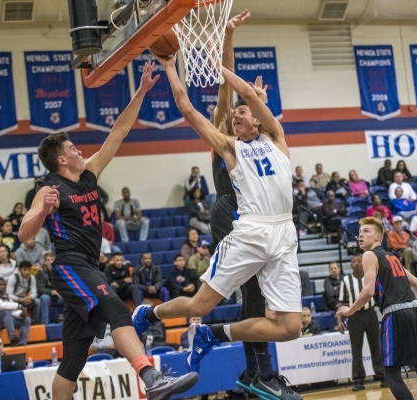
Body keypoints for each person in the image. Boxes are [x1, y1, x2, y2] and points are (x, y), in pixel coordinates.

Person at [17, 61, 197, 400]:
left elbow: (119, 132)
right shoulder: (48, 187)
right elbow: (25, 235)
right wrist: (42, 209)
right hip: (70, 265)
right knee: (116, 310)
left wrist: (141, 91)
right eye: (72, 149)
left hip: (89, 265)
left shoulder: (88, 173)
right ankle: (151, 377)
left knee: (72, 360)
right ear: (61, 160)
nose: (79, 150)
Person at [134, 51, 303, 391]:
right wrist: (170, 68)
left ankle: (213, 333)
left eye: (243, 111)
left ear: (258, 118)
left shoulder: (277, 138)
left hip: (285, 232)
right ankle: (146, 315)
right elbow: (188, 111)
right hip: (251, 231)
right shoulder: (229, 147)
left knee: (290, 328)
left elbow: (252, 97)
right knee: (199, 304)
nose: (236, 115)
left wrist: (224, 71)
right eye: (235, 112)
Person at [205, 13, 300, 399]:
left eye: (250, 109)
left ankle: (258, 373)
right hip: (233, 211)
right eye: (242, 108)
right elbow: (226, 84)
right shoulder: (225, 136)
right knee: (254, 299)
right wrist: (227, 37)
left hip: (263, 216)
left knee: (268, 304)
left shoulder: (260, 142)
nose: (243, 111)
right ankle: (258, 373)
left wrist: (257, 100)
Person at [336, 217, 417, 400]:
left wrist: (350, 310)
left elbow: (368, 291)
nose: (360, 234)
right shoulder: (393, 257)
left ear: (378, 238)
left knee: (391, 374)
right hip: (414, 311)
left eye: (366, 231)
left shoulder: (369, 255)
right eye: (359, 232)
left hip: (396, 314)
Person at [337, 255, 385, 391]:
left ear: (363, 263)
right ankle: (358, 381)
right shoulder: (345, 280)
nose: (357, 263)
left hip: (370, 313)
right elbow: (342, 302)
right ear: (350, 264)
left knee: (376, 346)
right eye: (354, 261)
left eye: (359, 261)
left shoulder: (371, 277)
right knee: (356, 350)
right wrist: (339, 320)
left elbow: (379, 295)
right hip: (354, 316)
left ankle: (382, 376)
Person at [0, 277, 30, 346]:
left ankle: (22, 343)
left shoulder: (5, 295)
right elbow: (1, 306)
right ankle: (12, 338)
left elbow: (12, 309)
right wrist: (19, 306)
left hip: (1, 320)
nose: (2, 287)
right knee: (6, 311)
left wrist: (21, 314)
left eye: (4, 285)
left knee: (26, 320)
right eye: (0, 285)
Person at [36, 251, 64, 325]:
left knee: (68, 297)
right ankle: (45, 325)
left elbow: (64, 286)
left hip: (59, 297)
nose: (50, 262)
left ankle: (65, 322)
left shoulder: (61, 272)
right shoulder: (40, 272)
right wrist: (53, 292)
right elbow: (40, 289)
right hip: (47, 296)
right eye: (48, 260)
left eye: (52, 260)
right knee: (45, 298)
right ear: (44, 262)